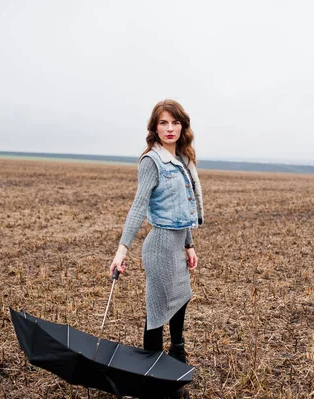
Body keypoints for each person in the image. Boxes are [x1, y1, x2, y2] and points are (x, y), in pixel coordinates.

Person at [109, 99, 203, 399]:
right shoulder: (152, 161)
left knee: (180, 300)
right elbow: (138, 207)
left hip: (177, 244)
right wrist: (122, 250)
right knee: (157, 313)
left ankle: (176, 359)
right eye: (163, 123)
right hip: (160, 245)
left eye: (174, 122)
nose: (170, 128)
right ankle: (154, 384)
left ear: (182, 126)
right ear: (155, 128)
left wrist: (189, 244)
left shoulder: (184, 161)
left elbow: (182, 208)